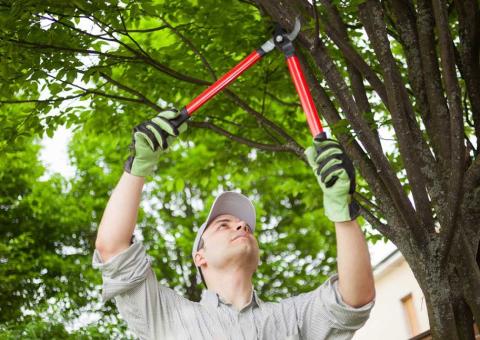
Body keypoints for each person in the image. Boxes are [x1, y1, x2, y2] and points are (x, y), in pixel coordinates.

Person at [93, 110, 376, 340]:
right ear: (199, 257)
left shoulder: (292, 318)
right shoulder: (167, 316)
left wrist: (343, 212)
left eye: (246, 227)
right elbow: (113, 248)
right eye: (223, 225)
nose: (241, 226)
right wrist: (138, 166)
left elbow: (354, 298)